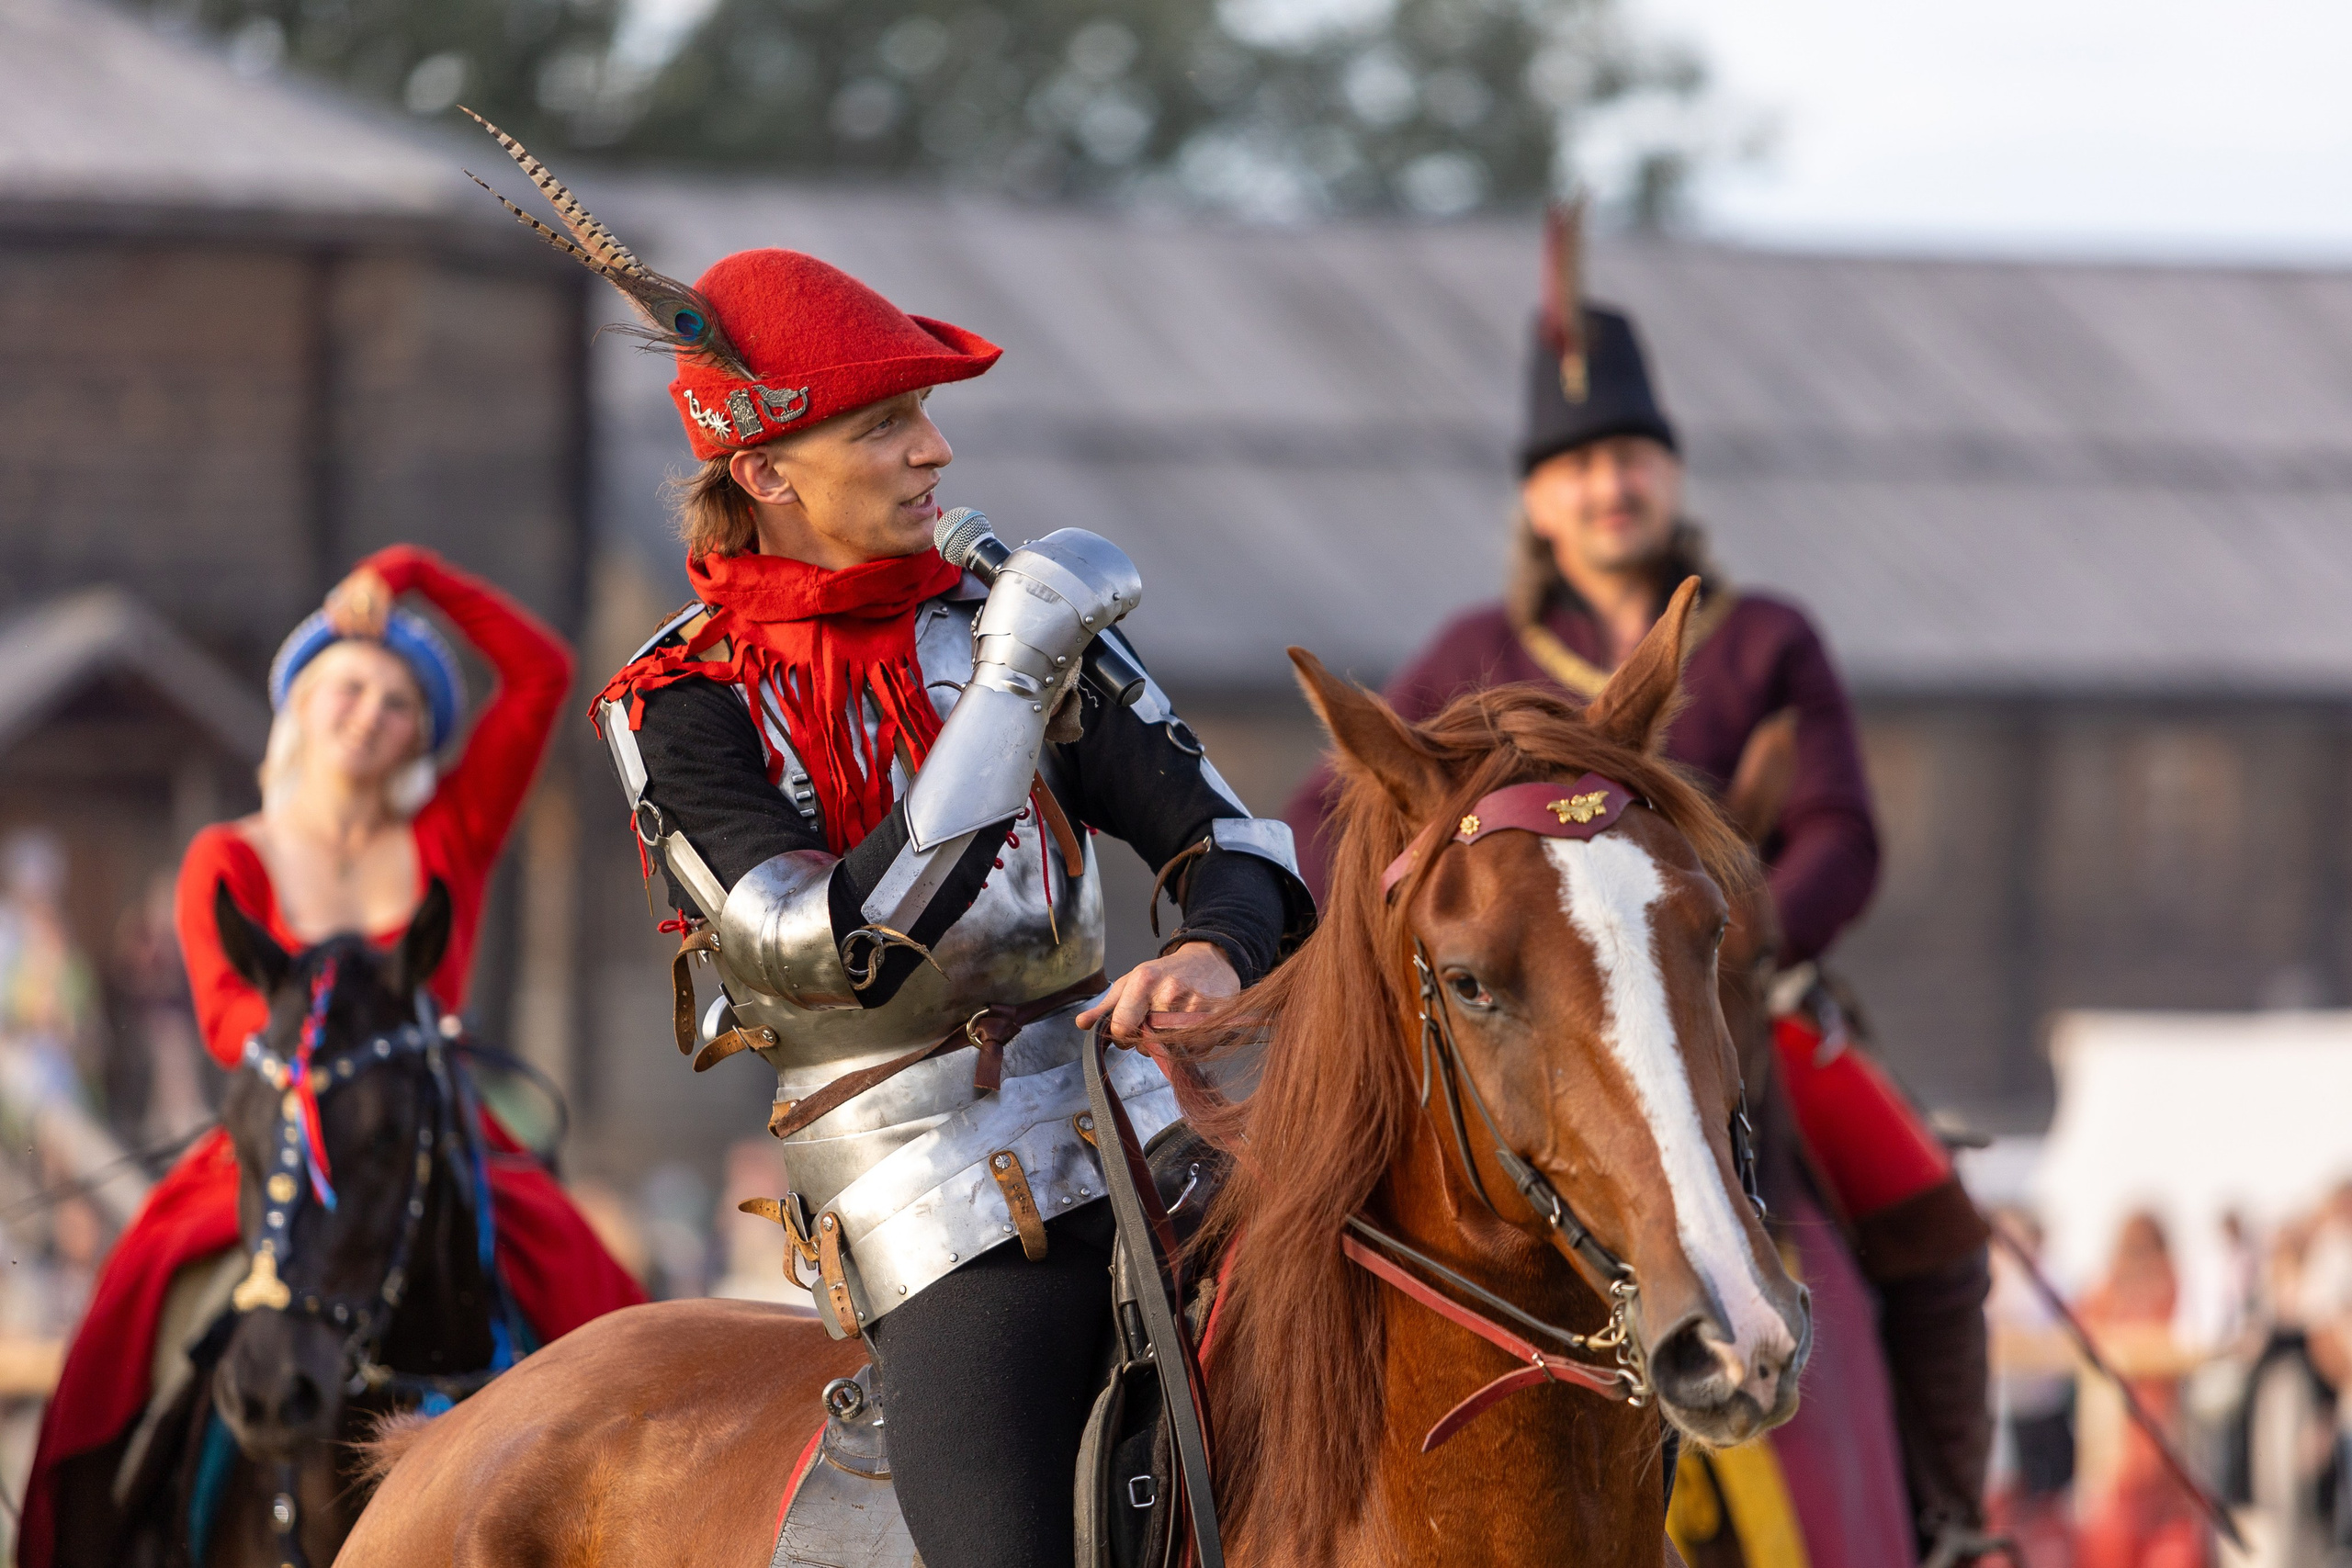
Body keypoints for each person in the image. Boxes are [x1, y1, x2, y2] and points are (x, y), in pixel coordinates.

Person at [460, 122, 1312, 1568]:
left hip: (1170, 1129)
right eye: (884, 424)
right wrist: (1014, 678)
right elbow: (838, 946)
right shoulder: (676, 706)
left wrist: (1210, 946)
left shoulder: (996, 619)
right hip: (942, 1204)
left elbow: (1240, 841)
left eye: (921, 411)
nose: (936, 446)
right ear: (774, 472)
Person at [1284, 205, 1990, 1566]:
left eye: (1629, 458)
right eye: (1577, 468)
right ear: (1535, 501)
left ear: (1669, 475)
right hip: (1531, 1025)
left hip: (1735, 994)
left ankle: (1953, 1517)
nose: (1607, 487)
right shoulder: (1470, 652)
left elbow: (1842, 826)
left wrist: (1737, 944)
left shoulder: (1767, 637)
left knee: (1931, 1209)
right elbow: (1340, 822)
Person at [19, 544, 647, 1568]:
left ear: (421, 737)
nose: (369, 714)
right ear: (302, 706)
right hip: (275, 1139)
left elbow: (539, 673)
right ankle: (95, 1529)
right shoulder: (230, 856)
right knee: (125, 1330)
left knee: (613, 1313)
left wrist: (417, 579)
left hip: (440, 1137)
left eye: (400, 703)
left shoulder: (453, 829)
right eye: (349, 687)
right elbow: (233, 1024)